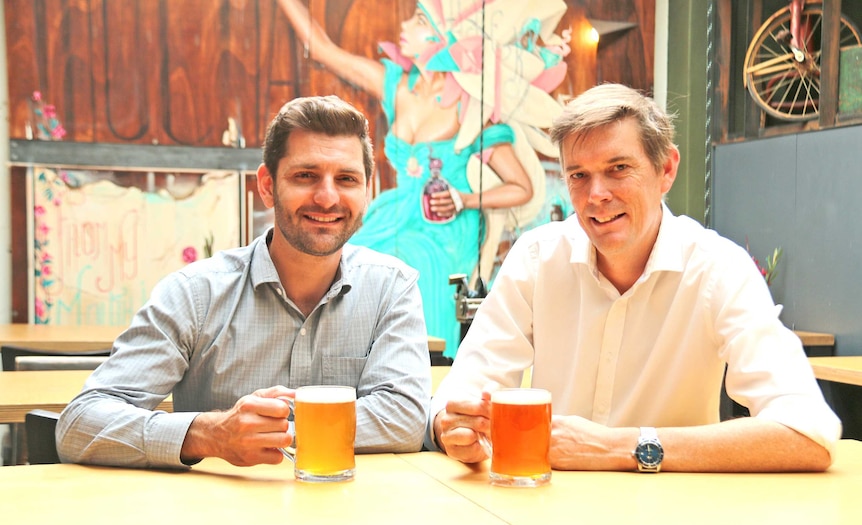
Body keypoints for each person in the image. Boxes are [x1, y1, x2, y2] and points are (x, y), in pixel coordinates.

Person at [428, 83, 842, 472]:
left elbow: (809, 431)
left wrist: (620, 447)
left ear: (666, 170)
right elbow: (458, 397)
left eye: (618, 168)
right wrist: (454, 429)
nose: (596, 195)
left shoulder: (717, 268)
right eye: (578, 175)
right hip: (548, 516)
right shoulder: (536, 259)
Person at [57, 95, 431, 469]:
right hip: (219, 521)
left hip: (349, 515)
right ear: (267, 186)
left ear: (367, 192)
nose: (327, 197)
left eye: (346, 179)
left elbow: (404, 420)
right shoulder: (194, 294)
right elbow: (79, 425)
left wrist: (279, 428)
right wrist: (211, 434)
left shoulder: (391, 289)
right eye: (306, 176)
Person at [278, 0, 570, 355]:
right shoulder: (395, 86)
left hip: (445, 231)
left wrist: (464, 199)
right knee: (347, 261)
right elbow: (323, 49)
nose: (404, 26)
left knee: (405, 272)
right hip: (397, 214)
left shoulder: (469, 106)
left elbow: (521, 187)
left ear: (445, 38)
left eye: (418, 20)